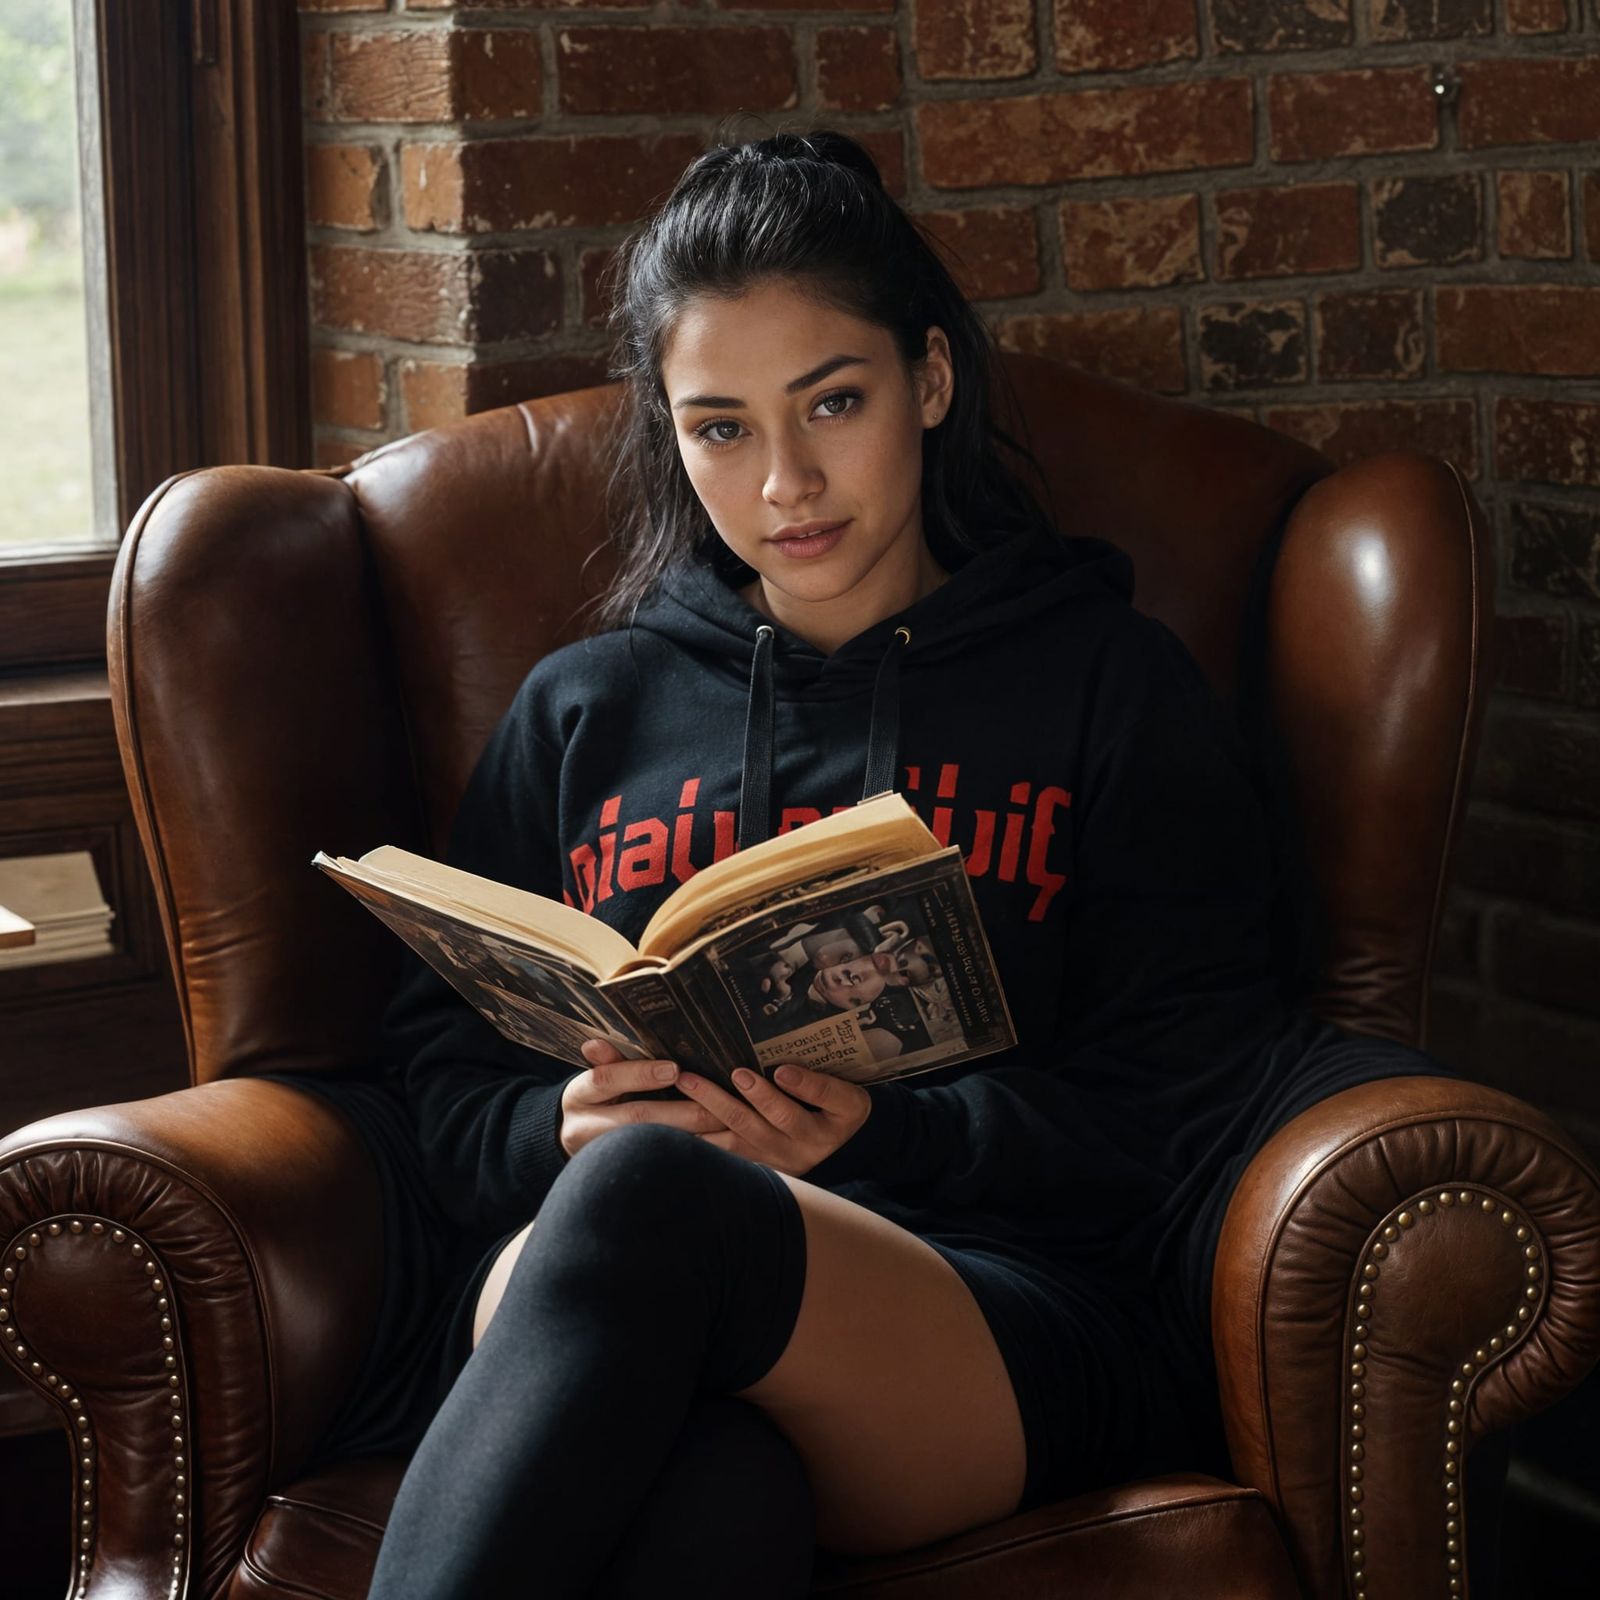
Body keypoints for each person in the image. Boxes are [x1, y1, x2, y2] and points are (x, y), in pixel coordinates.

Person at [274, 126, 1451, 1598]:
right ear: (672, 432)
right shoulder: (587, 708)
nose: (785, 483)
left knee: (654, 1200)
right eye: (721, 427)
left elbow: (1187, 1105)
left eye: (832, 401)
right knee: (709, 1481)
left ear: (931, 383)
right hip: (608, 1293)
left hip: (982, 1304)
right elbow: (432, 1086)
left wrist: (879, 1140)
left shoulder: (1105, 686)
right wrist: (556, 1124)